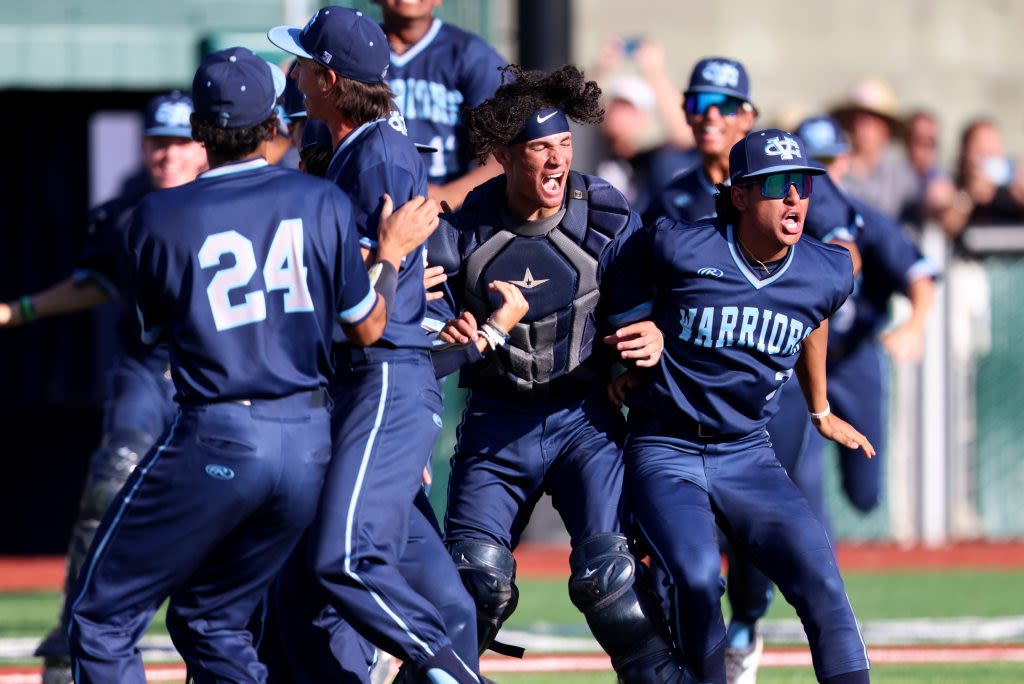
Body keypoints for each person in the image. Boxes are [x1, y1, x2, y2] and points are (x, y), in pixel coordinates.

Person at [66, 46, 439, 684]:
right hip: (308, 444)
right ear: (273, 121)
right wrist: (395, 254)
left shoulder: (153, 217)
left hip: (217, 433)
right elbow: (371, 326)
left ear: (198, 129)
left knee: (102, 618)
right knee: (210, 620)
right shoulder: (319, 201)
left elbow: (155, 329)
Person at [433, 63, 688, 683]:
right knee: (472, 586)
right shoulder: (466, 228)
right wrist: (451, 329)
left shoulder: (602, 212)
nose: (556, 161)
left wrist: (653, 336)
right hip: (498, 424)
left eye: (565, 145)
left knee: (614, 585)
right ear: (502, 155)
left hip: (585, 422)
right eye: (539, 147)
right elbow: (423, 328)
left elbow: (660, 294)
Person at [605, 128, 874, 684]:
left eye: (802, 184)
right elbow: (620, 266)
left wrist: (820, 408)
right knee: (699, 577)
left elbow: (814, 315)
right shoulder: (681, 245)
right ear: (741, 195)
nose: (796, 197)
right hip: (666, 448)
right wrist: (633, 337)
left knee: (821, 576)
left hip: (749, 453)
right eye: (778, 185)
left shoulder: (827, 268)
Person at [268, 8, 485, 683]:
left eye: (303, 65)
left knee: (343, 561)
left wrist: (386, 439)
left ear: (329, 80)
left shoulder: (377, 153)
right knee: (419, 600)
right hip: (361, 389)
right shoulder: (346, 150)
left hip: (380, 380)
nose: (295, 74)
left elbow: (369, 298)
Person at [0, 91, 207, 684]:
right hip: (149, 368)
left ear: (204, 145)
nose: (167, 154)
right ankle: (74, 635)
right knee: (111, 480)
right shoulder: (124, 213)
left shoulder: (242, 200)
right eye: (158, 142)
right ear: (143, 147)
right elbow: (95, 283)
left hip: (227, 378)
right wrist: (21, 310)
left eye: (179, 141)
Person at [793, 115, 937, 529]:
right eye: (810, 161)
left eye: (828, 159)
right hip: (798, 360)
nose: (821, 173)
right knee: (802, 474)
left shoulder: (865, 218)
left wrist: (915, 325)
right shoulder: (779, 221)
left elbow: (919, 275)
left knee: (865, 493)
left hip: (854, 356)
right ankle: (823, 572)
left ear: (844, 161)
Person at [377, 0, 506, 210]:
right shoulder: (355, 52)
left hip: (452, 213)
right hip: (371, 204)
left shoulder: (471, 54)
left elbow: (503, 156)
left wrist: (445, 196)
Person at [643, 56, 758, 225]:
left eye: (727, 105)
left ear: (748, 118)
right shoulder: (668, 202)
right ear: (686, 113)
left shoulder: (776, 188)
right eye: (699, 103)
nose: (711, 116)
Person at [829, 77, 918, 221]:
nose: (859, 127)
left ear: (887, 128)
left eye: (869, 120)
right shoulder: (833, 170)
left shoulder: (902, 177)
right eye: (855, 119)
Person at [940, 118, 1024, 241]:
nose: (988, 161)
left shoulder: (1012, 186)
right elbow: (946, 228)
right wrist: (969, 196)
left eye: (993, 152)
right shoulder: (950, 185)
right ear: (964, 153)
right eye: (981, 152)